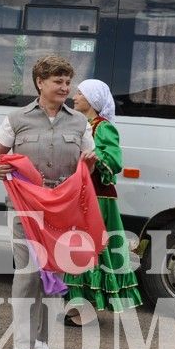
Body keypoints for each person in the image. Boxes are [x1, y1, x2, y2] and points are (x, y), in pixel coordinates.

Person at [0, 55, 97, 349]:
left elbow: (91, 161)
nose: (65, 87)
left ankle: (42, 339)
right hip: (24, 209)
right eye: (58, 81)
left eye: (67, 81)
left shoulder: (80, 122)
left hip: (62, 212)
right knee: (27, 273)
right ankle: (20, 343)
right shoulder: (17, 119)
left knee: (54, 275)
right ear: (40, 82)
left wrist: (90, 164)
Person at [62, 79, 142, 324]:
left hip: (98, 199)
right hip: (82, 195)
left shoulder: (102, 127)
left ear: (93, 100)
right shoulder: (81, 123)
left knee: (92, 251)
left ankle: (85, 310)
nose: (74, 96)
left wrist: (96, 156)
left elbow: (115, 160)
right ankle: (79, 305)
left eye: (80, 93)